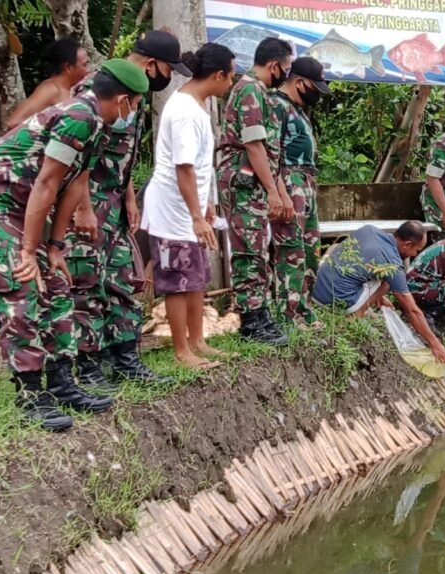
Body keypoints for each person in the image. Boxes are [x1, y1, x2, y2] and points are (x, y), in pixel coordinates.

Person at [0, 60, 149, 431]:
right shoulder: (78, 116)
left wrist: (55, 246)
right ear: (123, 99)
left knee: (58, 285)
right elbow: (46, 183)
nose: (134, 113)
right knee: (21, 286)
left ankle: (61, 384)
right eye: (136, 104)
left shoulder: (99, 125)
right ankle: (30, 394)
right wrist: (29, 251)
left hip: (25, 204)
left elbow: (76, 184)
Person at [68, 29, 193, 391]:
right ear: (152, 64)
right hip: (88, 201)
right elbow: (77, 158)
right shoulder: (96, 89)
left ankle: (125, 360)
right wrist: (83, 208)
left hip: (115, 205)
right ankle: (88, 367)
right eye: (169, 70)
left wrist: (129, 198)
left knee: (121, 282)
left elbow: (123, 155)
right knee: (87, 283)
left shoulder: (133, 91)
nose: (169, 78)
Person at [141, 44, 236, 369]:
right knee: (177, 281)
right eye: (230, 76)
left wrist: (205, 203)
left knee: (196, 276)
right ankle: (182, 351)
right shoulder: (184, 111)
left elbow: (199, 165)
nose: (230, 83)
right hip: (172, 210)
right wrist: (196, 216)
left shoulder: (197, 105)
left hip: (189, 207)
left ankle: (198, 341)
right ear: (218, 75)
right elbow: (183, 168)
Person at [217, 37, 294, 345]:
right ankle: (251, 321)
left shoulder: (259, 92)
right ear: (274, 66)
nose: (286, 74)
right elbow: (254, 146)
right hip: (243, 184)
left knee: (258, 248)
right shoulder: (249, 90)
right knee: (249, 251)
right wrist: (272, 191)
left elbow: (268, 151)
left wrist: (278, 190)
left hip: (253, 184)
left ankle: (260, 314)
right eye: (286, 68)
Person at [311, 221, 445, 364]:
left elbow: (363, 263)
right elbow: (412, 311)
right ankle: (357, 314)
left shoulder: (369, 229)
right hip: (337, 301)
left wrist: (379, 297)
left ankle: (359, 300)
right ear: (407, 244)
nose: (415, 254)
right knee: (388, 283)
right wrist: (434, 343)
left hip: (316, 291)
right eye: (416, 250)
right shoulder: (393, 265)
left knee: (334, 247)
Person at [270, 56, 329, 331]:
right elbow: (271, 154)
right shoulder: (276, 106)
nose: (316, 94)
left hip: (306, 181)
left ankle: (304, 307)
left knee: (310, 248)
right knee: (291, 249)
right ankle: (288, 313)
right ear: (299, 82)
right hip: (289, 179)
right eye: (314, 87)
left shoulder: (297, 108)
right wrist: (279, 192)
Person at [6, 38, 90, 130]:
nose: (89, 70)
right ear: (68, 67)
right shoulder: (51, 89)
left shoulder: (74, 89)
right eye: (85, 65)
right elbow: (14, 122)